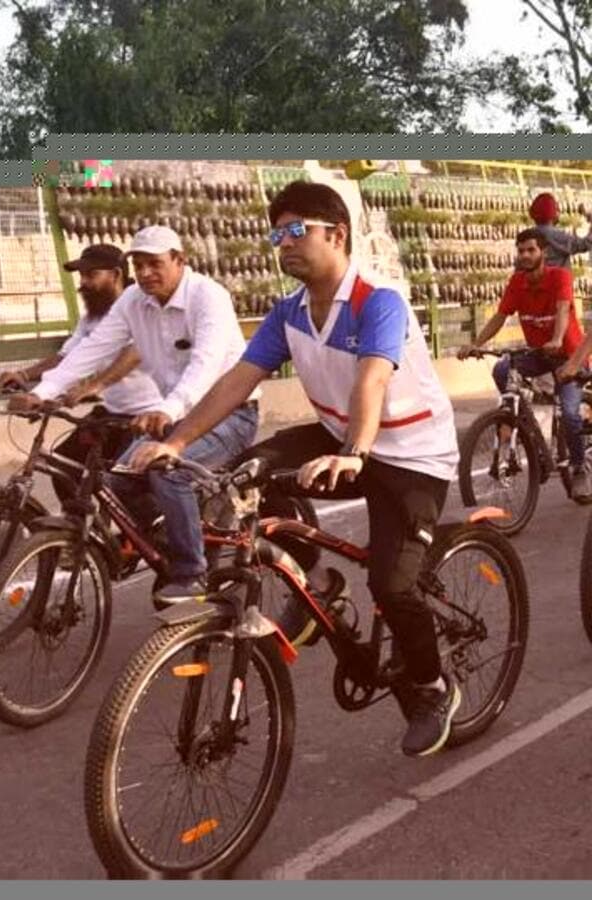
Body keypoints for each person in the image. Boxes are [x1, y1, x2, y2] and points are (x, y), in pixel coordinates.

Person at [129, 180, 462, 758]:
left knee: (391, 583)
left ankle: (432, 688)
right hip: (341, 439)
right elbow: (237, 381)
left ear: (336, 234)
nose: (281, 243)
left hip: (410, 456)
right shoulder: (289, 314)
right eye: (275, 234)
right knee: (247, 468)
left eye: (294, 231)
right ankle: (313, 586)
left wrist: (354, 451)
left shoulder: (376, 301)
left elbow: (373, 378)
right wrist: (178, 442)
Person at [28, 225, 258, 605]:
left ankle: (191, 573)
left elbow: (206, 363)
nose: (146, 273)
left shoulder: (208, 296)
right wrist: (43, 391)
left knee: (166, 472)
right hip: (175, 416)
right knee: (115, 481)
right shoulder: (133, 300)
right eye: (139, 264)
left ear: (180, 260)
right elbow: (94, 348)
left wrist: (167, 408)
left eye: (156, 263)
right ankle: (173, 532)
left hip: (229, 414)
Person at [1, 243, 159, 468]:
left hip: (147, 413)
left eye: (91, 275)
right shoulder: (92, 318)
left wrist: (94, 386)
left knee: (125, 482)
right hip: (112, 412)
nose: (83, 283)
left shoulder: (141, 309)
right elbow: (67, 356)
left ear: (116, 275)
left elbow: (134, 354)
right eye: (82, 276)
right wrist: (24, 376)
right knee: (64, 464)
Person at [461, 228, 591, 500]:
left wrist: (557, 338)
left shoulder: (560, 277)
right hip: (541, 354)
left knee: (569, 413)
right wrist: (477, 343)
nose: (525, 255)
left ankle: (579, 469)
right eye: (521, 250)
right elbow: (500, 316)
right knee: (503, 369)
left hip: (569, 355)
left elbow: (562, 309)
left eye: (531, 250)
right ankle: (522, 425)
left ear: (543, 252)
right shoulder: (517, 282)